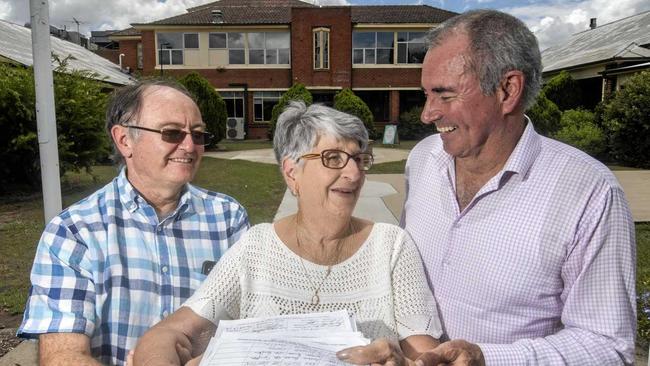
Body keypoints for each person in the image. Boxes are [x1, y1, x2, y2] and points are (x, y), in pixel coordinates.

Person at [339, 9, 636, 366]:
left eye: (445, 95)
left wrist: (487, 359)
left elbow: (608, 346)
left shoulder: (589, 193)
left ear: (507, 90)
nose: (427, 114)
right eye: (427, 94)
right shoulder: (422, 160)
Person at [131, 101, 443, 365]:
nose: (354, 173)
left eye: (360, 159)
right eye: (333, 158)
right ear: (292, 172)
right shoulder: (257, 247)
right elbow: (169, 334)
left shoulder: (391, 246)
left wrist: (403, 362)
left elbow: (425, 354)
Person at [17, 80, 250, 365]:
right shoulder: (74, 233)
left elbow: (248, 323)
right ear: (125, 140)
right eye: (172, 132)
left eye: (198, 135)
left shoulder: (228, 218)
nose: (189, 145)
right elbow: (62, 356)